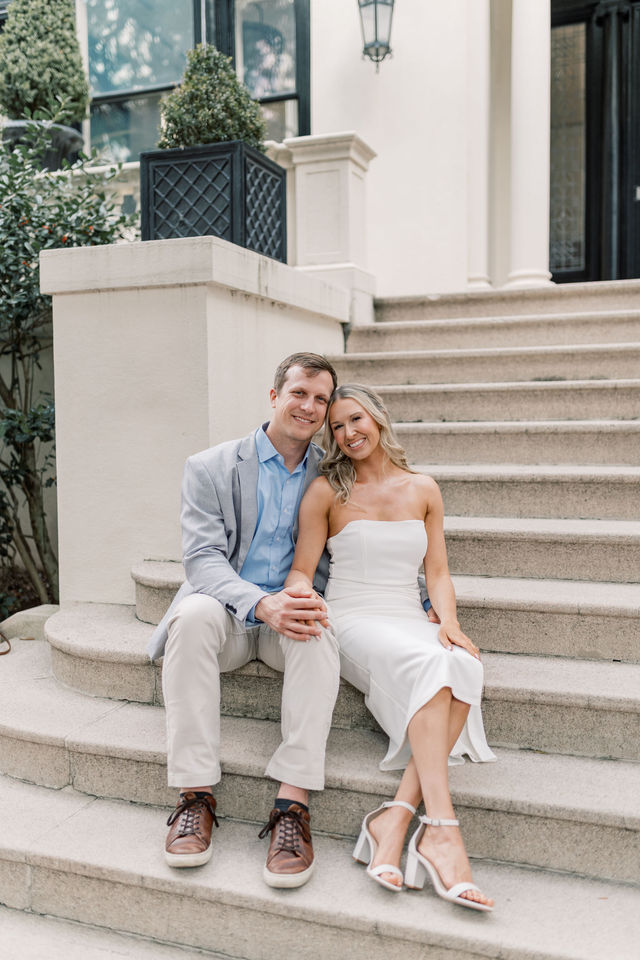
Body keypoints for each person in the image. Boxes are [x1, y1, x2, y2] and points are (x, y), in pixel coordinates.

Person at [285, 383, 496, 911]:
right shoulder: (325, 492)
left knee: (461, 660)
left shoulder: (423, 488)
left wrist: (448, 620)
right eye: (336, 426)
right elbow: (302, 572)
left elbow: (439, 572)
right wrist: (297, 601)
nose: (348, 433)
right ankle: (442, 834)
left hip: (408, 614)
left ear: (378, 419)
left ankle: (396, 818)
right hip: (352, 617)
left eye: (355, 419)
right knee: (434, 667)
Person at [146, 353, 341, 889]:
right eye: (300, 392)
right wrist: (260, 603)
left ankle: (292, 808)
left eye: (321, 399)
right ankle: (195, 796)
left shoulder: (332, 475)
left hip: (287, 623)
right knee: (192, 615)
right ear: (274, 395)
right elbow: (204, 560)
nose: (309, 406)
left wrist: (424, 602)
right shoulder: (210, 466)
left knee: (318, 626)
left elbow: (370, 537)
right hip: (230, 615)